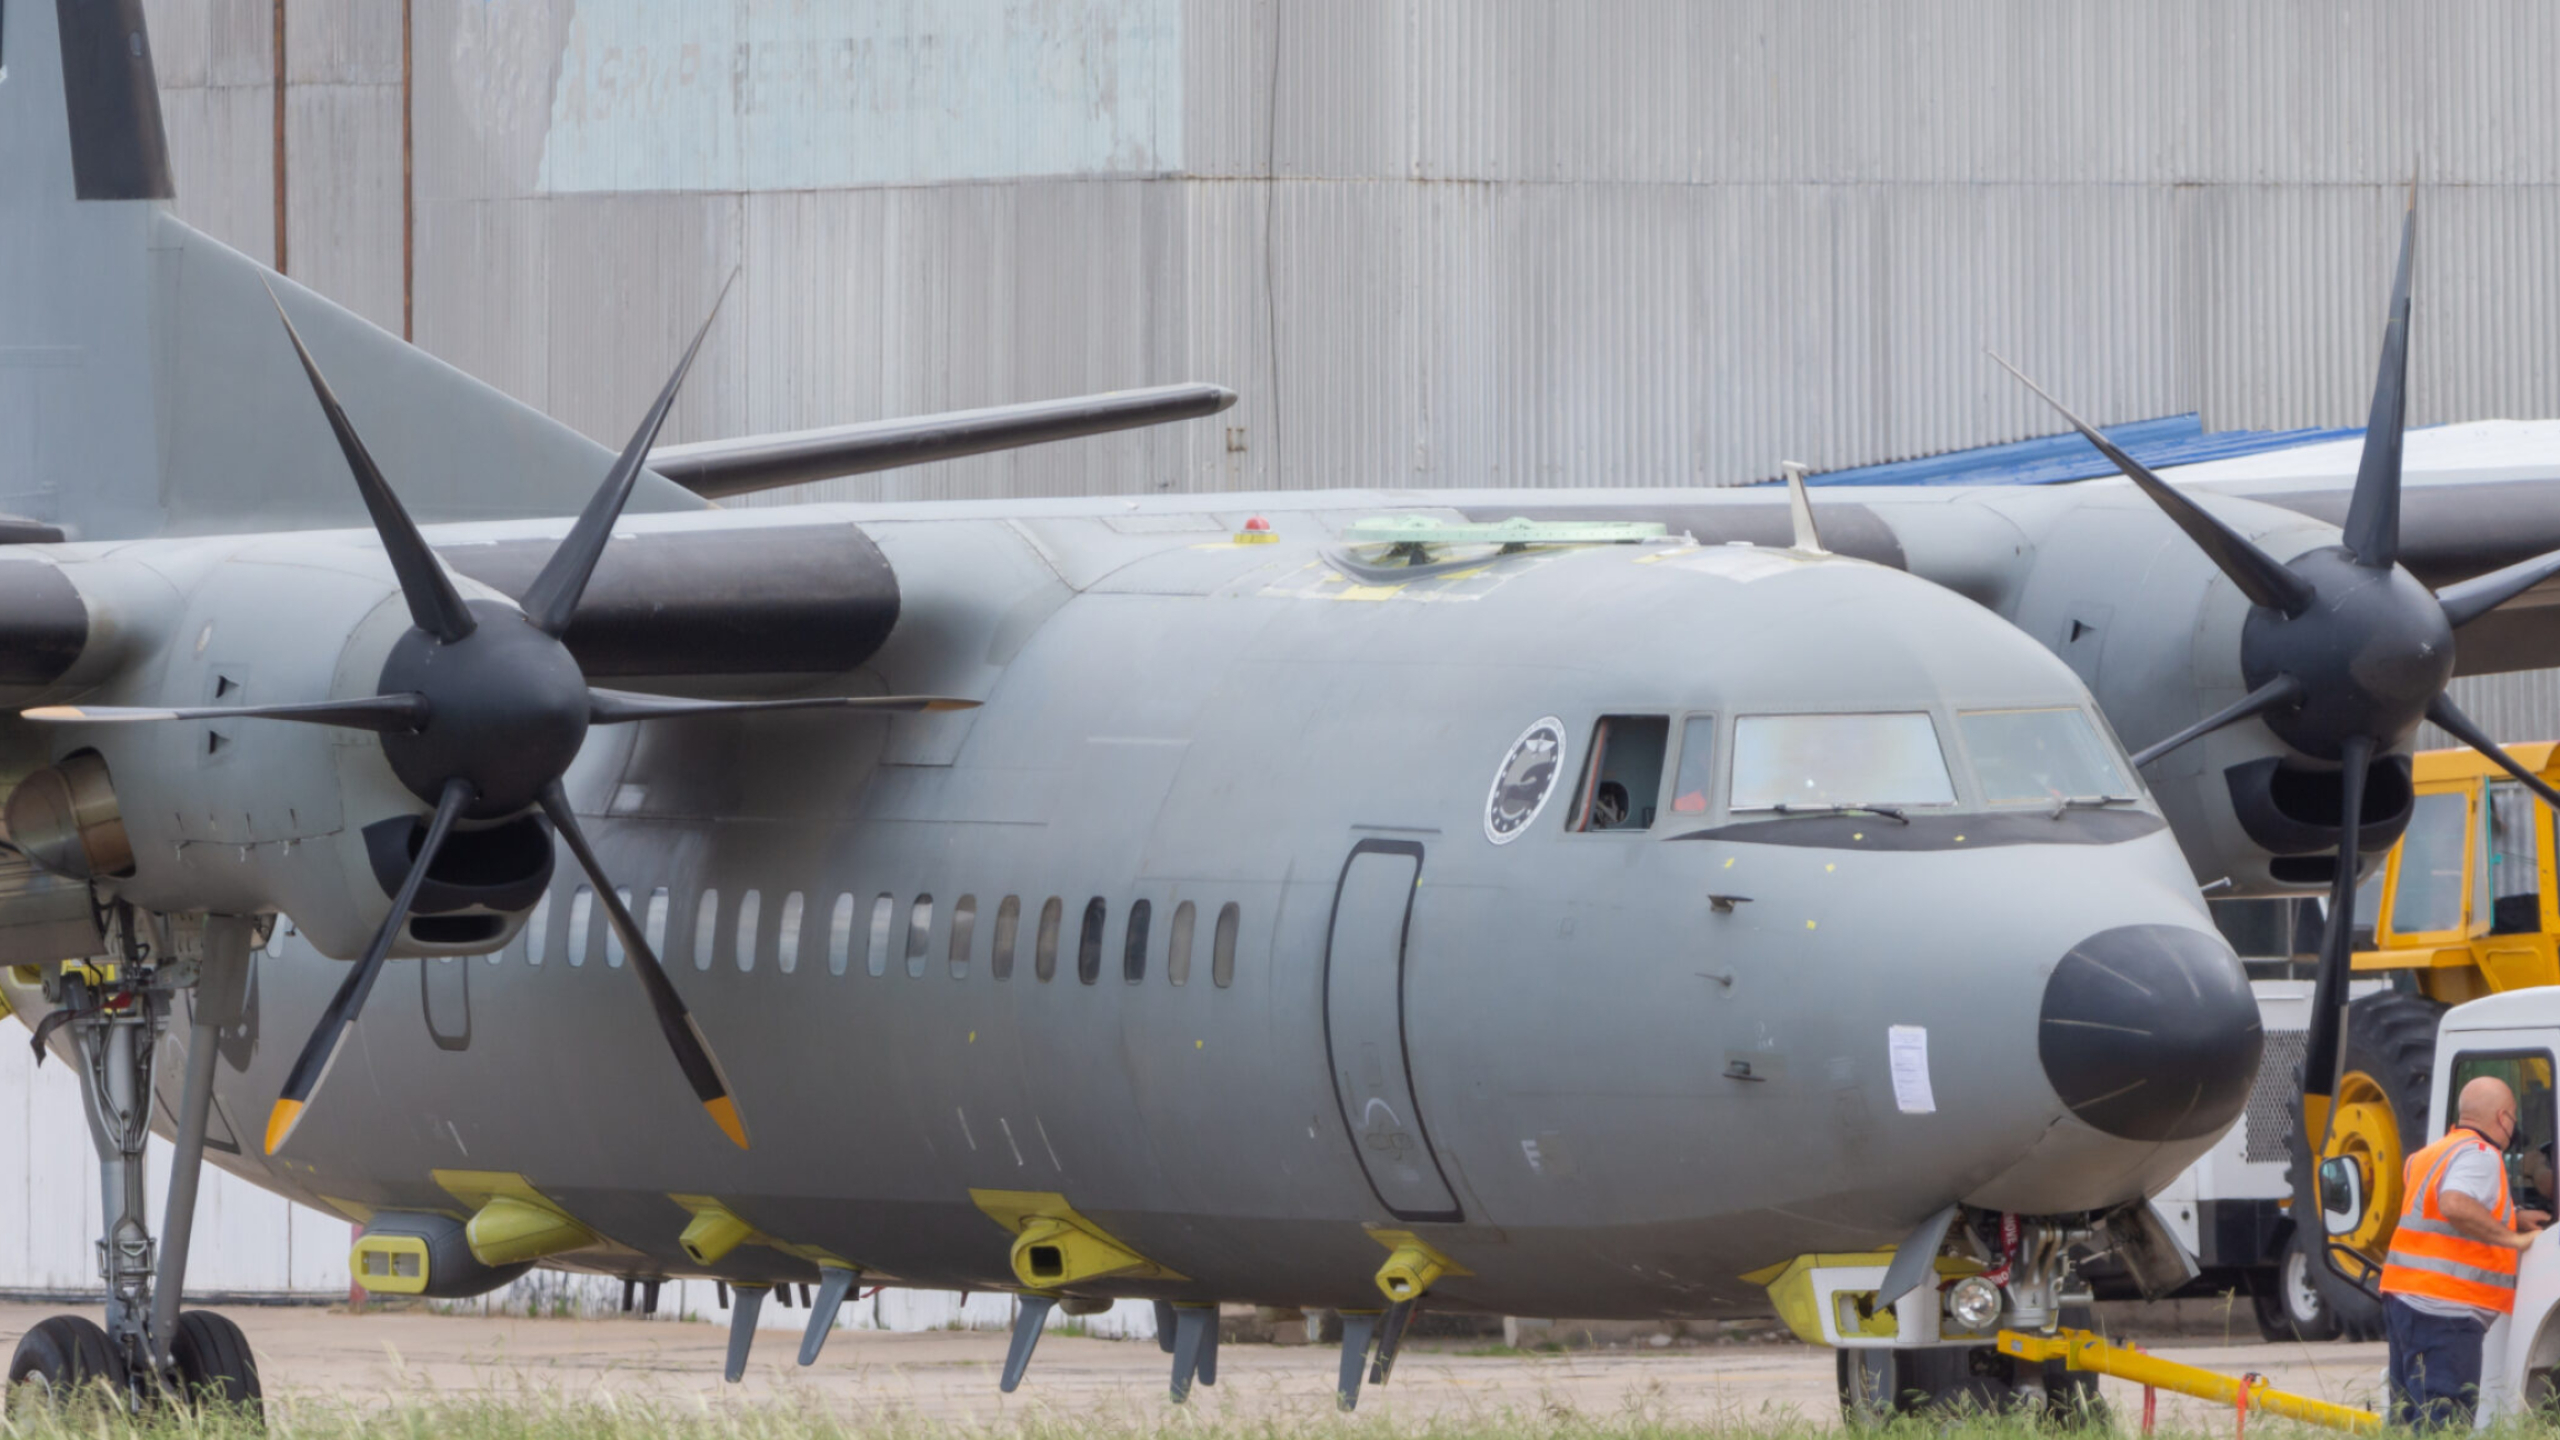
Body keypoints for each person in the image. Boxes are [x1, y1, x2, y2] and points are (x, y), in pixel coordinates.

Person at [2380, 1076, 2553, 1426]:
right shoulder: (2482, 1155)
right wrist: (2511, 1238)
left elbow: (2435, 1210)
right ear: (2503, 1118)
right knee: (2443, 1420)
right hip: (2446, 1311)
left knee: (2408, 1416)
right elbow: (2454, 1204)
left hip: (2405, 1300)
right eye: (2514, 1116)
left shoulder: (2433, 1153)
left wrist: (2513, 1216)